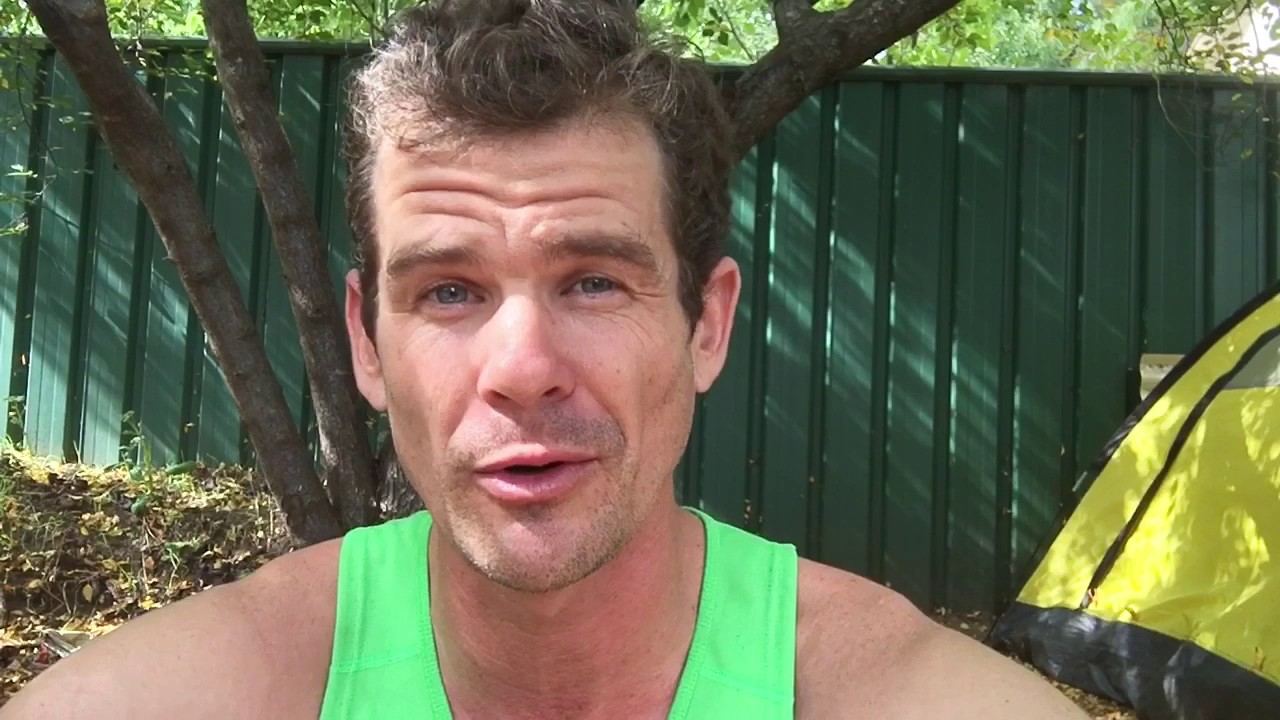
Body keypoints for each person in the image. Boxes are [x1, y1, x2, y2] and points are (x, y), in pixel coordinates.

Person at [2, 1, 1086, 717]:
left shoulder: (902, 698)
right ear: (367, 342)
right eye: (449, 291)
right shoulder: (180, 696)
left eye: (594, 281)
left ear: (706, 326)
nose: (521, 369)